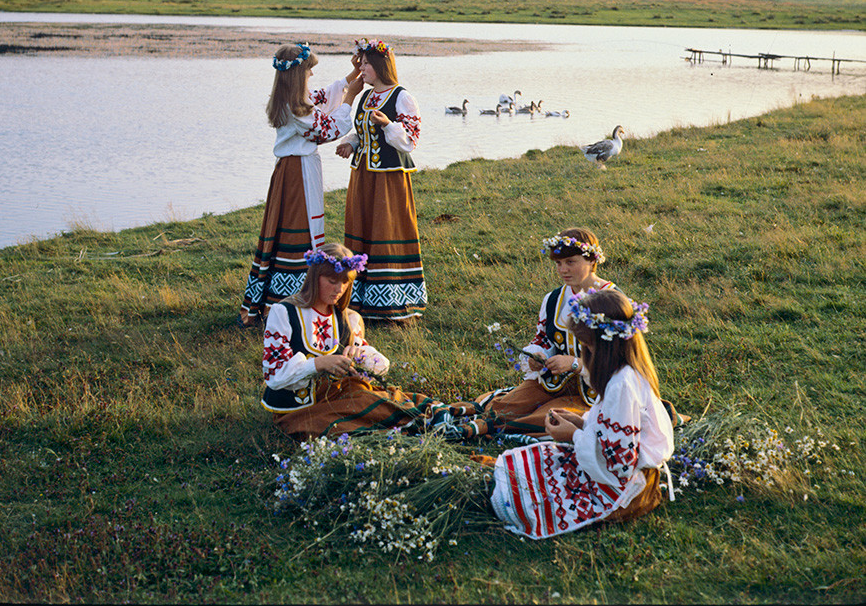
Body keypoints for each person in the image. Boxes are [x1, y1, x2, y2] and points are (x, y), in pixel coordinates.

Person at [490, 288, 675, 539]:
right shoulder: (621, 373)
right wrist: (581, 421)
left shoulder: (623, 385)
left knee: (530, 499)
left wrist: (575, 435)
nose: (585, 353)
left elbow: (620, 465)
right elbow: (610, 429)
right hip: (614, 470)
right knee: (532, 465)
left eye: (587, 346)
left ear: (605, 344)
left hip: (627, 487)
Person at [261, 243, 447, 438]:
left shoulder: (347, 318)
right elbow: (275, 376)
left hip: (338, 397)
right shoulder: (284, 313)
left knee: (374, 401)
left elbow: (381, 367)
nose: (339, 289)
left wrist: (360, 357)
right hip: (296, 410)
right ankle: (420, 422)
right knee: (354, 419)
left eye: (346, 282)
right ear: (315, 278)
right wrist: (318, 364)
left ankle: (430, 418)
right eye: (332, 281)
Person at [239, 43, 362, 327]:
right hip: (297, 173)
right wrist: (350, 98)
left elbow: (319, 98)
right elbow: (327, 129)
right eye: (309, 72)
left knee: (285, 229)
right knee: (300, 230)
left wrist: (348, 78)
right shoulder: (297, 108)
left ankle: (277, 300)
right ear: (298, 76)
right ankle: (290, 301)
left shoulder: (289, 98)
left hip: (291, 169)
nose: (312, 77)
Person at [477, 229, 613, 434]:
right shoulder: (554, 299)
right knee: (499, 410)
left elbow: (621, 360)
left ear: (592, 260)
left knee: (549, 420)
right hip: (554, 383)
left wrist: (575, 364)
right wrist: (538, 355)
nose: (563, 270)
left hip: (598, 389)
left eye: (570, 262)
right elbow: (544, 337)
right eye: (558, 263)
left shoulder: (612, 301)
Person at [335, 38, 427, 322]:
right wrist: (351, 142)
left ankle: (392, 302)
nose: (361, 68)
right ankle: (361, 298)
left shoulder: (401, 96)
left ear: (380, 65)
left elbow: (411, 140)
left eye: (365, 63)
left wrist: (387, 125)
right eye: (360, 63)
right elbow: (361, 130)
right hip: (363, 175)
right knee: (362, 226)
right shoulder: (365, 96)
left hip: (388, 178)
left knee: (386, 229)